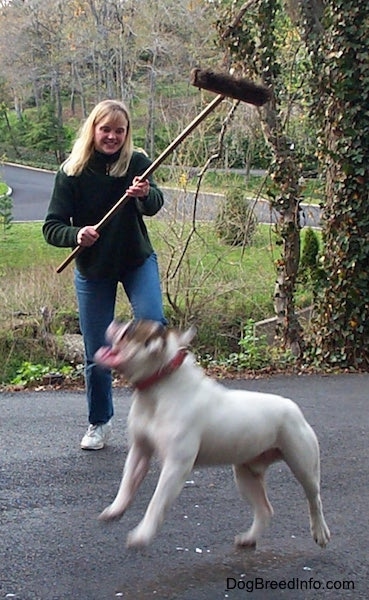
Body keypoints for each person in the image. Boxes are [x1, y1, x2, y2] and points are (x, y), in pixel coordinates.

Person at [43, 99, 166, 450]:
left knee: (153, 323)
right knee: (97, 351)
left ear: (126, 134)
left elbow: (155, 204)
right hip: (93, 269)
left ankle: (160, 413)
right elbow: (52, 227)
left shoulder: (137, 162)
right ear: (93, 130)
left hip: (135, 260)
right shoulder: (72, 172)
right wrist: (76, 235)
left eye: (119, 130)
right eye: (105, 129)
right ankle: (100, 423)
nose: (112, 136)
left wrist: (145, 195)